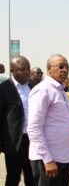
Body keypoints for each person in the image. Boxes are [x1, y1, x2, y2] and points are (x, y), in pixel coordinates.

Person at [27, 54, 69, 186]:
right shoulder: (43, 90)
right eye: (60, 66)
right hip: (49, 159)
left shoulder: (60, 91)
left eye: (67, 66)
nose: (64, 69)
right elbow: (34, 127)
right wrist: (47, 159)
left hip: (63, 157)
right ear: (49, 69)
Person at [0, 56, 35, 186]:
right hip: (14, 141)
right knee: (13, 177)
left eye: (28, 68)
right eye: (22, 69)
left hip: (33, 139)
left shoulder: (33, 86)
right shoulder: (3, 89)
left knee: (32, 176)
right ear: (12, 70)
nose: (27, 72)